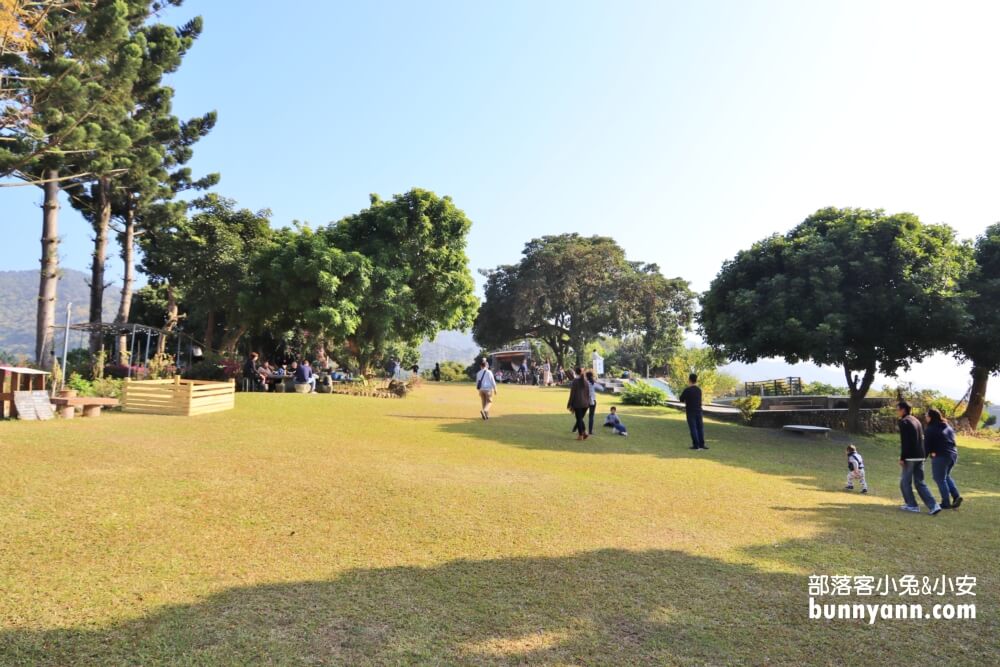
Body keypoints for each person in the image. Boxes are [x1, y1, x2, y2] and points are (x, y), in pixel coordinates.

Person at [897, 401, 941, 515]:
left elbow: (905, 442)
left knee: (905, 482)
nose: (897, 411)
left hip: (910, 457)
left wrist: (902, 457)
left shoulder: (904, 421)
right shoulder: (916, 420)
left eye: (898, 409)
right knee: (919, 482)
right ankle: (934, 506)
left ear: (903, 410)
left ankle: (912, 505)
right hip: (920, 456)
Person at [925, 407, 963, 509]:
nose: (925, 417)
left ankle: (946, 502)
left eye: (927, 415)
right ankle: (956, 496)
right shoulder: (947, 426)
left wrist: (923, 458)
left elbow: (927, 445)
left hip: (941, 456)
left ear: (931, 417)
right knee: (945, 476)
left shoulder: (931, 428)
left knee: (939, 478)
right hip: (953, 455)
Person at [679, 373, 707, 450]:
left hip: (690, 411)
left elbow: (681, 399)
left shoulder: (687, 390)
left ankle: (696, 445)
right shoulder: (699, 390)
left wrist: (686, 400)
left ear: (689, 380)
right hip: (699, 410)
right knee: (700, 428)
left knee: (693, 428)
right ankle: (702, 444)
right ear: (696, 380)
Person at [567, 367, 591, 440]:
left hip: (578, 403)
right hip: (586, 404)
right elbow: (588, 394)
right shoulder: (586, 381)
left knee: (579, 419)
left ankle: (581, 435)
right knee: (580, 419)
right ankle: (584, 432)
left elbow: (572, 393)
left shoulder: (575, 381)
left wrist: (570, 403)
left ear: (575, 372)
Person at [586, 371, 598, 435]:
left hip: (585, 400)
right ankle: (590, 431)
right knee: (591, 416)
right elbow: (601, 388)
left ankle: (576, 428)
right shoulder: (593, 383)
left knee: (581, 415)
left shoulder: (585, 383)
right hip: (593, 400)